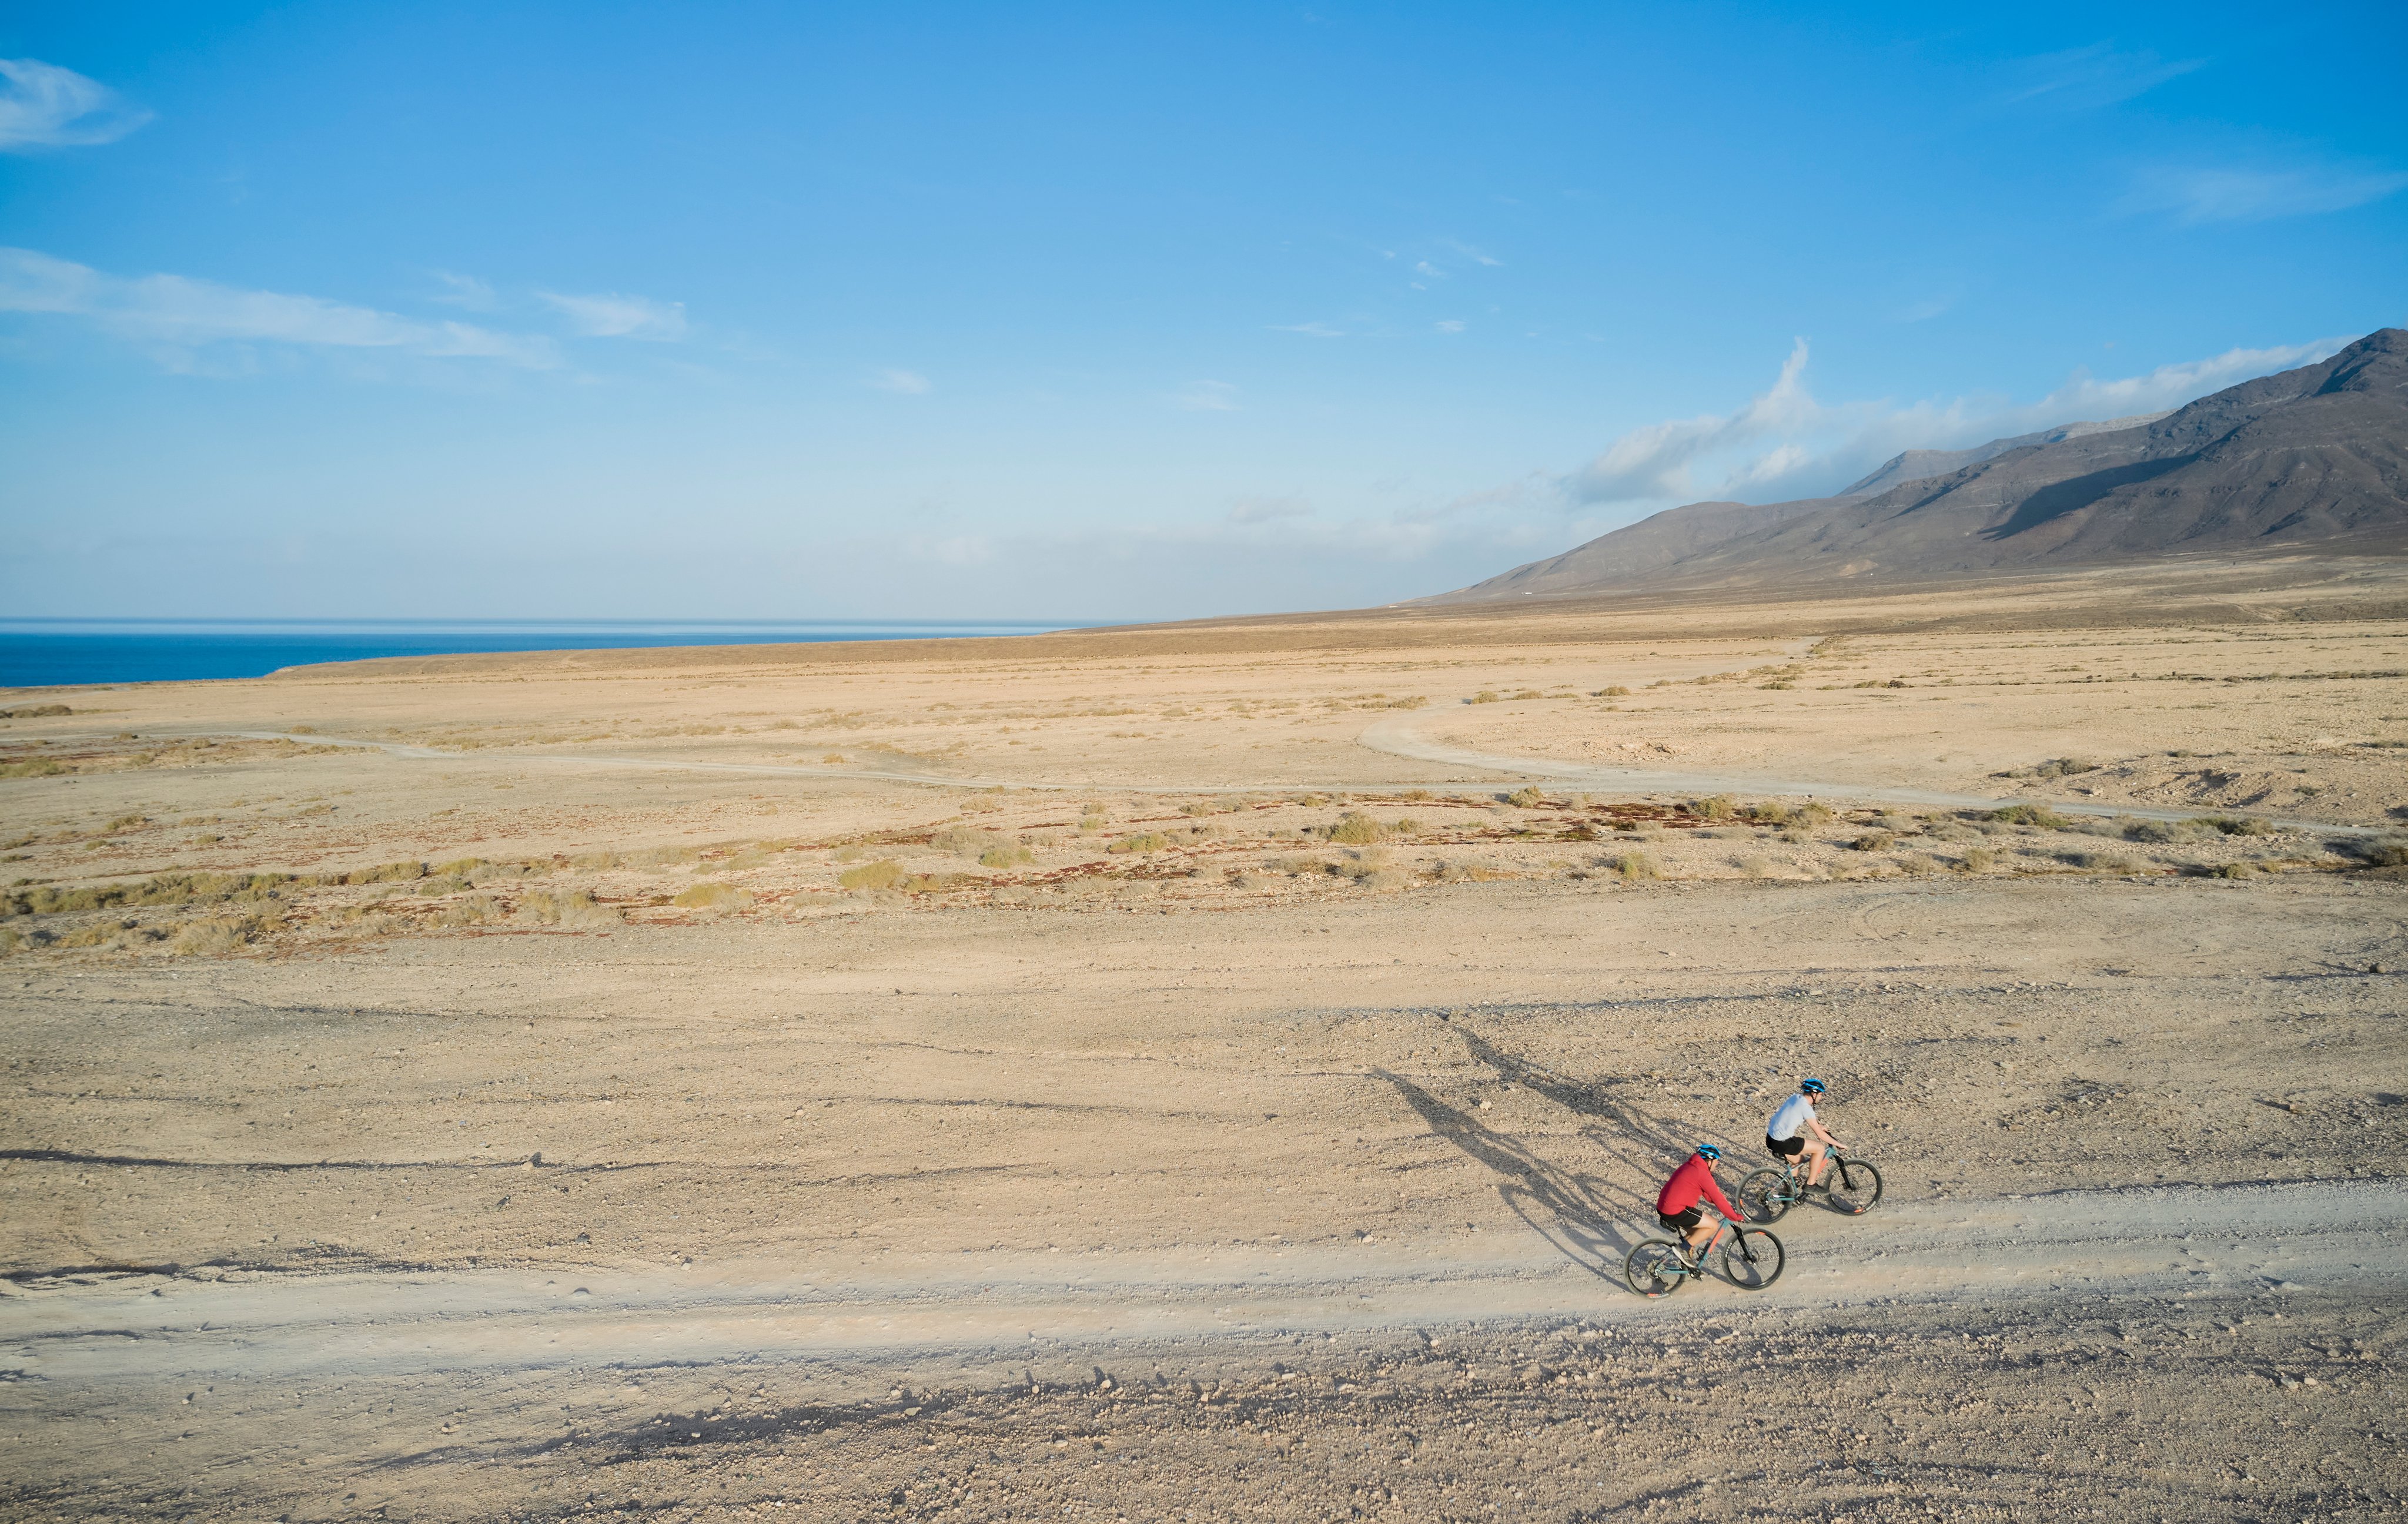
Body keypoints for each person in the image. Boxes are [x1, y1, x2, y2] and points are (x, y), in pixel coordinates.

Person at [1654, 1143, 1740, 1262]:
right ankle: (1682, 1249)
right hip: (1676, 1210)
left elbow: (1709, 1197)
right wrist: (1734, 1216)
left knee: (1696, 1233)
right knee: (1713, 1225)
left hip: (1665, 1206)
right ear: (1709, 1161)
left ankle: (1686, 1263)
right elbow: (1718, 1198)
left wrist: (1729, 1206)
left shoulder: (1691, 1166)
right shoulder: (1702, 1173)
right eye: (1717, 1161)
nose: (1717, 1164)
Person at [1766, 1077, 1840, 1190]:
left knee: (1799, 1160)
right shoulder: (1806, 1108)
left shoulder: (1795, 1098)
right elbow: (1820, 1135)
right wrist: (1839, 1144)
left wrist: (1818, 1125)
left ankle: (1790, 1190)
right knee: (1820, 1148)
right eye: (1821, 1094)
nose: (1822, 1097)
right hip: (1783, 1142)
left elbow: (1796, 1115)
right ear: (1814, 1094)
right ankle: (1811, 1184)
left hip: (1771, 1139)